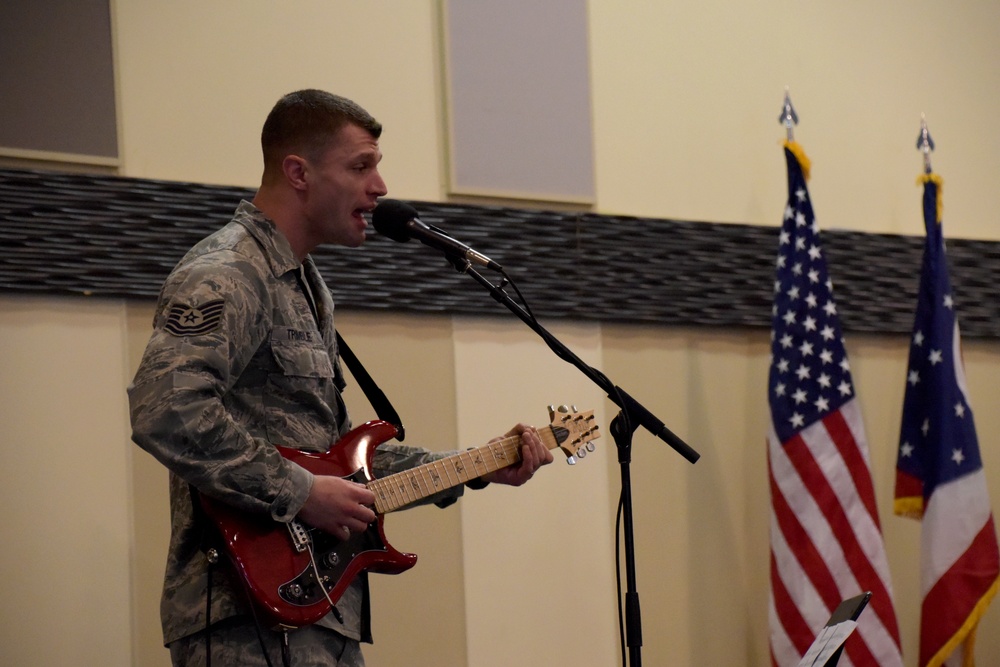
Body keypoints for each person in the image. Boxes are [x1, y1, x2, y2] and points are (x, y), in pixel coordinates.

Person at [128, 89, 553, 667]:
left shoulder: (307, 286)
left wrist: (479, 464)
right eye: (361, 166)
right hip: (243, 620)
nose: (380, 187)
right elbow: (165, 410)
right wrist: (300, 492)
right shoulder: (228, 272)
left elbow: (342, 464)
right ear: (298, 172)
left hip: (318, 614)